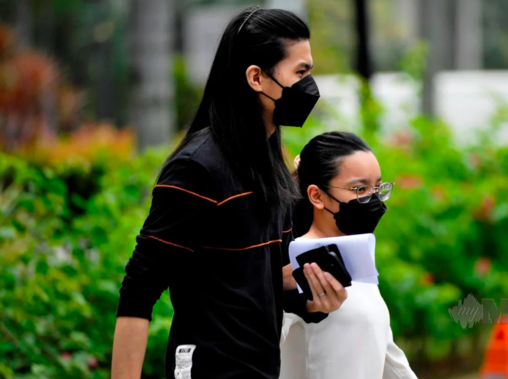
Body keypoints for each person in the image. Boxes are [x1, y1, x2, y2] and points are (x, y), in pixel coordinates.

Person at [110, 7, 348, 379]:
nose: (309, 85)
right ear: (256, 77)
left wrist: (316, 297)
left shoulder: (271, 164)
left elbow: (266, 277)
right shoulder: (197, 168)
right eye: (300, 72)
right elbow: (139, 289)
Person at [279, 131, 418, 379]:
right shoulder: (291, 269)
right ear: (317, 196)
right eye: (360, 188)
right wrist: (284, 292)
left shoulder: (357, 262)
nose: (373, 199)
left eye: (378, 187)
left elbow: (389, 360)